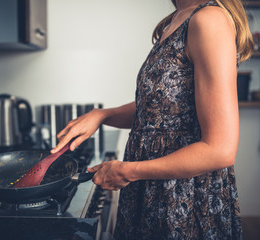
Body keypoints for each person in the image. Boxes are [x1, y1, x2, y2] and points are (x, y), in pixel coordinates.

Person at [51, 0, 254, 239]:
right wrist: (102, 115)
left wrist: (129, 171)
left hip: (184, 201)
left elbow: (220, 150)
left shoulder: (209, 19)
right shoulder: (177, 20)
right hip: (149, 191)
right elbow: (162, 108)